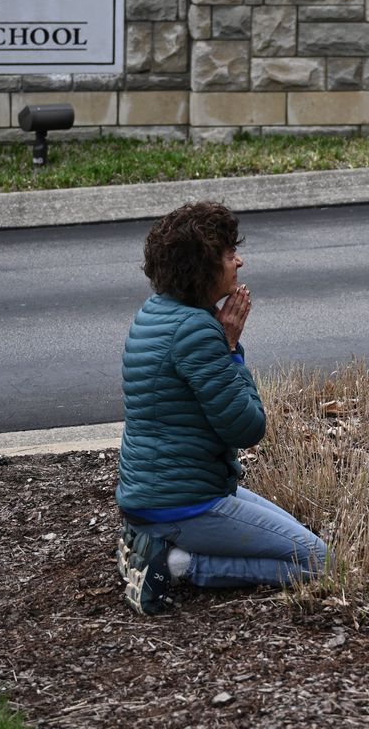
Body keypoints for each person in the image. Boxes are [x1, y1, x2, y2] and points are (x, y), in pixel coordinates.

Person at [114, 201, 328, 614]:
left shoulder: (156, 312)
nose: (239, 261)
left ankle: (147, 538)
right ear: (203, 269)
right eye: (230, 255)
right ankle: (176, 563)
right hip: (181, 503)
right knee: (320, 562)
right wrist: (230, 347)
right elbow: (246, 427)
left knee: (305, 542)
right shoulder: (196, 330)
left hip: (157, 492)